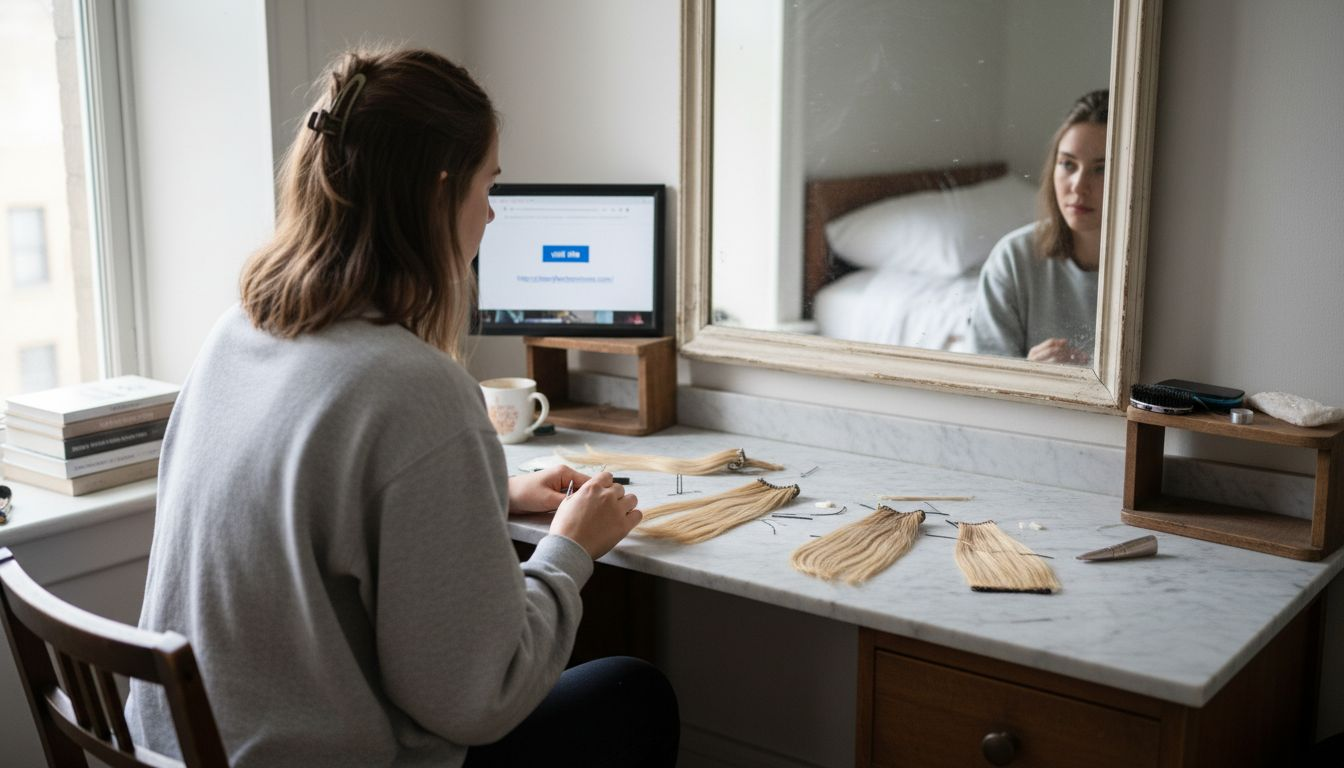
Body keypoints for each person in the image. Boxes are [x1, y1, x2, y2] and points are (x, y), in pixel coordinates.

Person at [126, 47, 679, 767]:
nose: (490, 213)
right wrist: (569, 551)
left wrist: (489, 494)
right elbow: (477, 701)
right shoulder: (416, 388)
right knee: (632, 694)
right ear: (437, 194)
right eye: (488, 185)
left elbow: (299, 512)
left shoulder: (237, 333)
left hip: (174, 749)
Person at [971, 89, 1109, 365]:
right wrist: (1031, 376)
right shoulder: (1013, 258)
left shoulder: (1160, 271)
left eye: (1101, 169)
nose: (1078, 186)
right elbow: (986, 384)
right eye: (1068, 164)